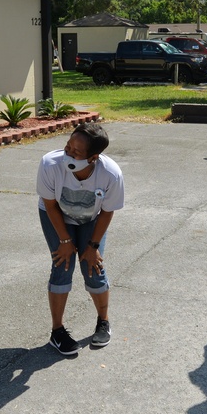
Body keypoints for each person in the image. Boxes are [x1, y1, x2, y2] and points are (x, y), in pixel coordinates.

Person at [37, 122, 125, 355]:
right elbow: (50, 204)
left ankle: (103, 321)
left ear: (94, 157)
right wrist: (66, 242)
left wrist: (93, 246)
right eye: (67, 147)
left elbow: (107, 211)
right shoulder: (50, 164)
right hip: (56, 214)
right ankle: (57, 332)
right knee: (62, 266)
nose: (68, 154)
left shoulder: (110, 173)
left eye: (76, 153)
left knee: (93, 267)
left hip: (90, 219)